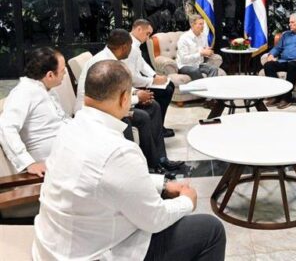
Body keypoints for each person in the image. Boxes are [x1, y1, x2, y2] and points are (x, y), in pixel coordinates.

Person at [33, 60, 226, 260]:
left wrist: (164, 184)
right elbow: (154, 219)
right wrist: (187, 200)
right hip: (93, 254)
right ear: (125, 98)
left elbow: (110, 178)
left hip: (53, 246)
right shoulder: (119, 151)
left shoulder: (68, 129)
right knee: (211, 230)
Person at [75, 29, 183, 172]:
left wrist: (137, 92)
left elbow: (116, 89)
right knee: (143, 116)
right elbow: (108, 100)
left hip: (108, 105)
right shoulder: (104, 64)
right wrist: (137, 98)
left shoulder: (111, 59)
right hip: (98, 111)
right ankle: (149, 166)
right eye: (131, 46)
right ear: (124, 46)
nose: (132, 50)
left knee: (154, 106)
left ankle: (160, 160)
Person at [0, 47, 70, 177]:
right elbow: (5, 128)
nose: (65, 73)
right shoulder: (24, 92)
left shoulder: (46, 90)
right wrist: (29, 163)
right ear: (50, 75)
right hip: (54, 167)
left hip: (68, 158)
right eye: (62, 70)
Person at [123, 18, 176, 138]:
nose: (148, 38)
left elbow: (142, 64)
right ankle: (157, 129)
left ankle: (159, 126)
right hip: (130, 86)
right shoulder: (129, 46)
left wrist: (154, 75)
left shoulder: (135, 44)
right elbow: (132, 77)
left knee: (170, 85)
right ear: (139, 29)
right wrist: (152, 81)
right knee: (166, 91)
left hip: (136, 81)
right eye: (147, 34)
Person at [176, 14, 219, 80]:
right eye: (200, 24)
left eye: (203, 24)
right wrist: (201, 53)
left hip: (198, 64)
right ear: (192, 25)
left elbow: (204, 51)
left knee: (214, 69)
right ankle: (204, 87)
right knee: (195, 71)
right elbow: (184, 59)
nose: (203, 27)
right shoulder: (184, 39)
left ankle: (210, 88)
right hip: (185, 65)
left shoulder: (203, 36)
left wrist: (208, 52)